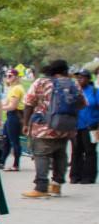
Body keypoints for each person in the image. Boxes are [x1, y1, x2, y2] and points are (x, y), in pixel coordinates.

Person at [22, 59, 84, 198]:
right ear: (64, 70)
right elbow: (81, 103)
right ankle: (56, 185)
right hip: (66, 128)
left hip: (44, 128)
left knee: (41, 155)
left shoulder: (41, 82)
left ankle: (41, 188)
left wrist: (26, 124)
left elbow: (28, 103)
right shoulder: (73, 84)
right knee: (60, 155)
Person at [70, 71, 99, 185]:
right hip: (76, 125)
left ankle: (88, 177)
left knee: (89, 151)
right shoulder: (75, 92)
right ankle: (75, 175)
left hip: (91, 125)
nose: (79, 80)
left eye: (82, 78)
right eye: (78, 78)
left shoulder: (94, 91)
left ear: (88, 79)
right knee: (76, 151)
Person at [0, 69, 25, 172]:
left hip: (14, 115)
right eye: (6, 75)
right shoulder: (13, 88)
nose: (7, 77)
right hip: (10, 116)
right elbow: (7, 103)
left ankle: (16, 164)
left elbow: (12, 106)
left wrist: (0, 108)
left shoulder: (16, 89)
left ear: (16, 77)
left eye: (10, 75)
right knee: (6, 140)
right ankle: (1, 162)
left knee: (14, 141)